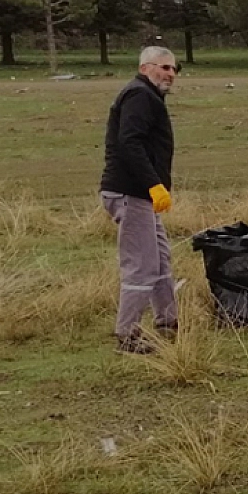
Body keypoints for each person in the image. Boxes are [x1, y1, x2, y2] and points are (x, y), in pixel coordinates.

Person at [100, 45, 179, 355]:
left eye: (174, 69)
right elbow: (129, 143)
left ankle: (168, 322)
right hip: (131, 193)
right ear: (146, 68)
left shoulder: (148, 96)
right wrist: (153, 185)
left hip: (141, 194)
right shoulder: (139, 95)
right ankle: (127, 335)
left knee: (160, 258)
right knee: (142, 265)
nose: (170, 74)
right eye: (164, 67)